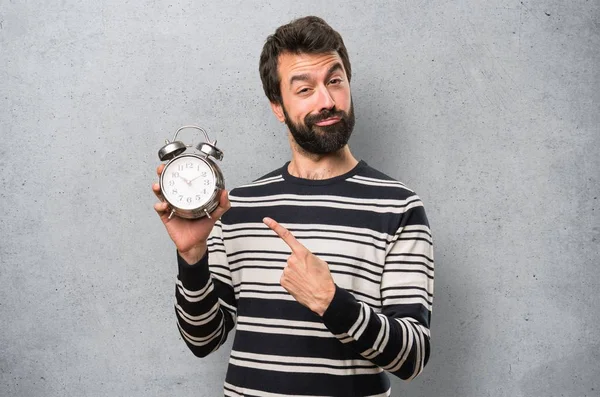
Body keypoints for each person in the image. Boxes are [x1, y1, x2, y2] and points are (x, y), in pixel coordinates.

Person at [153, 15, 434, 397]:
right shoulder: (237, 206)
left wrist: (332, 302)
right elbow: (203, 339)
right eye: (305, 89)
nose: (328, 101)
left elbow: (412, 357)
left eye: (335, 81)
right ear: (277, 106)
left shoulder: (398, 205)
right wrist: (192, 256)